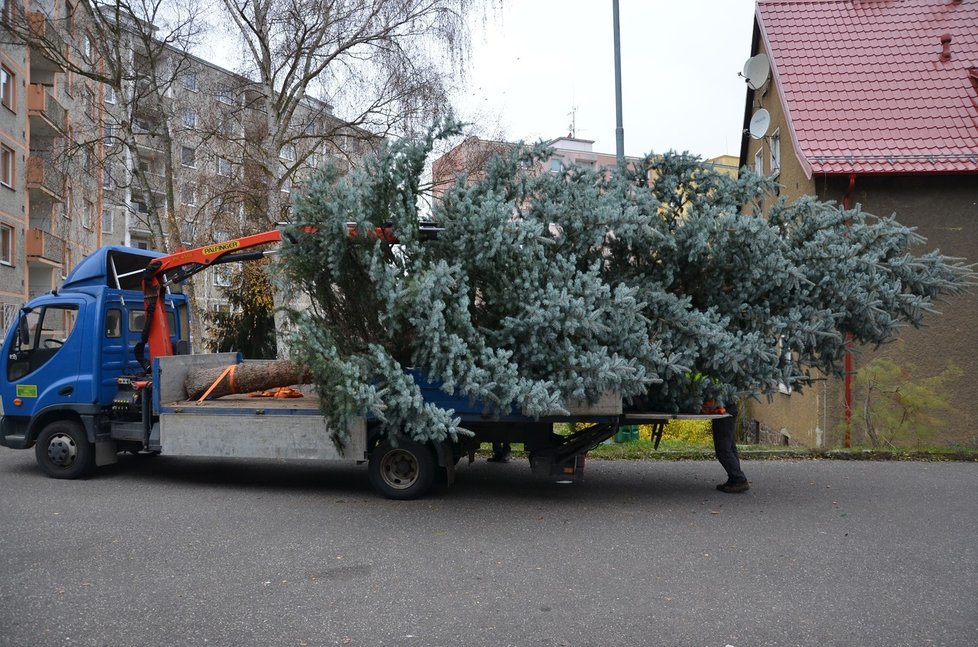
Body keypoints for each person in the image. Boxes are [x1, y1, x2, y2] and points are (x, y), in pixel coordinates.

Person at [708, 401, 749, 493]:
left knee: (723, 449)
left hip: (724, 410)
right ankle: (733, 479)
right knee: (730, 447)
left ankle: (739, 479)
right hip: (728, 408)